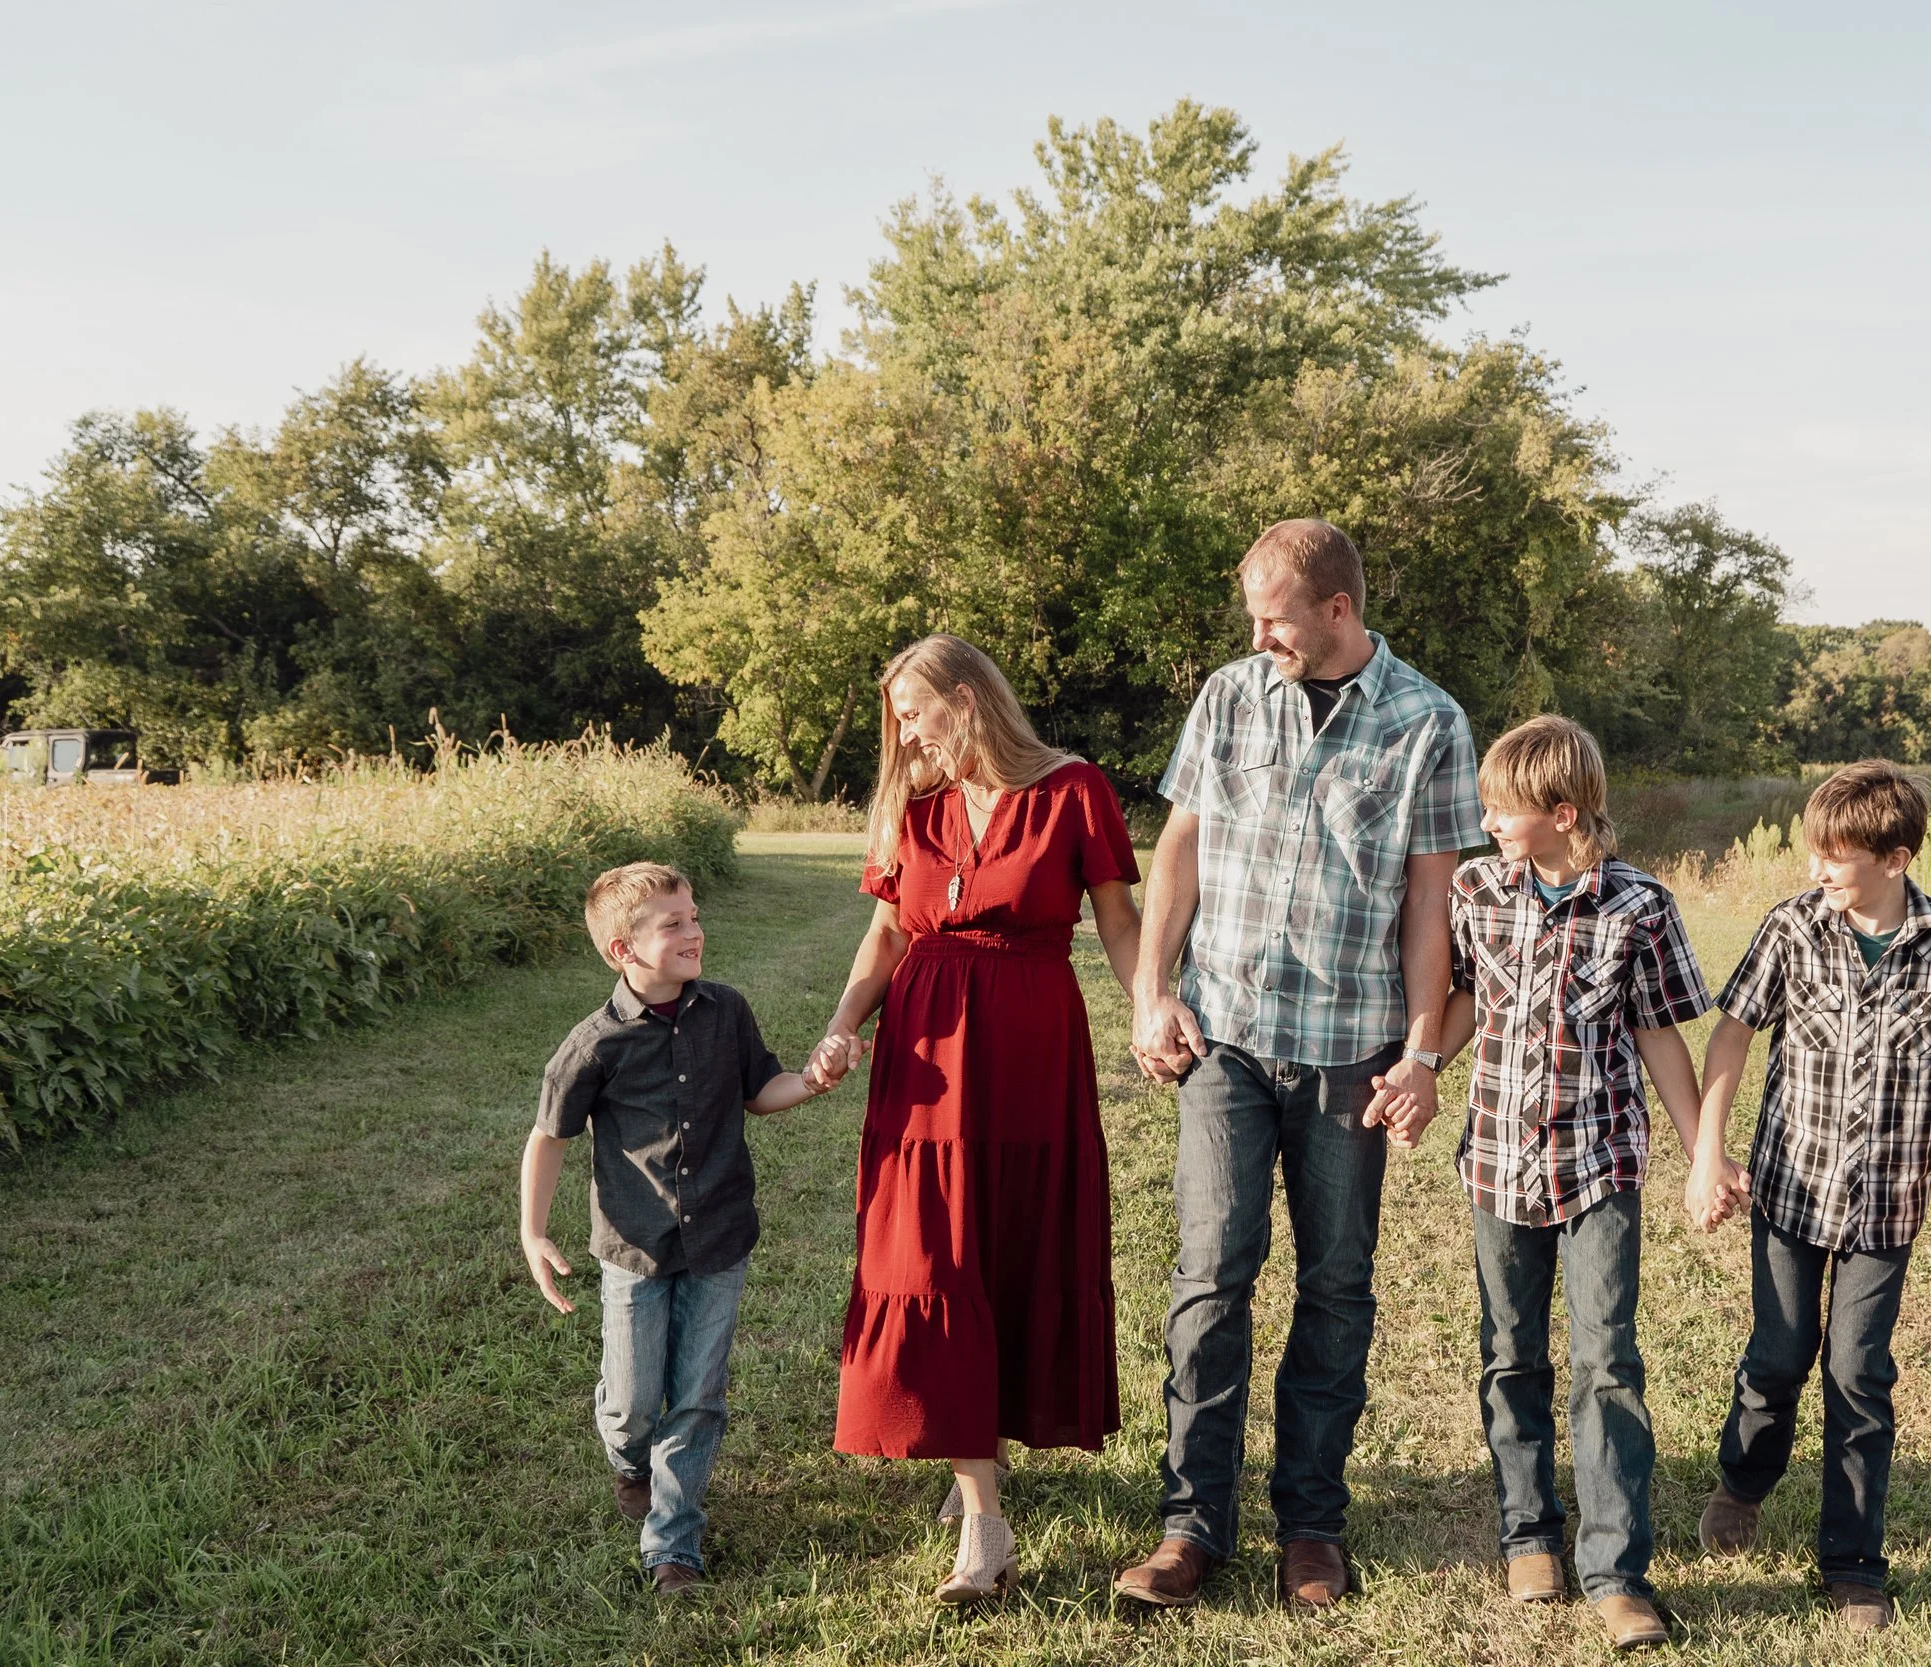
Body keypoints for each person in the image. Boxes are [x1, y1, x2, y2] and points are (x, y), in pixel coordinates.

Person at [1117, 518, 1483, 1612]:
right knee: (1209, 1277)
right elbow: (1178, 845)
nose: (1258, 633)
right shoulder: (1230, 694)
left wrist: (1423, 1048)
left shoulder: (1429, 719)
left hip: (1350, 1051)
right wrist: (1150, 987)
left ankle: (1311, 1524)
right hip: (1225, 1031)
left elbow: (1431, 901)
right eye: (1253, 617)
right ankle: (1192, 1524)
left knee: (1335, 1285)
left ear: (1337, 607)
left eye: (1274, 615)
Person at [806, 634, 1144, 1604]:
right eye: (899, 720)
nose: (905, 733)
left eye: (914, 712)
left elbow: (1118, 920)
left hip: (1034, 1050)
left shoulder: (1074, 788)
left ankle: (975, 1452)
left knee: (1010, 1244)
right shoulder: (910, 810)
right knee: (928, 1258)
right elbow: (884, 933)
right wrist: (838, 1028)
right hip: (926, 1059)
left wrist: (1149, 1006)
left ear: (966, 698)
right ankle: (985, 1523)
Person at [1369, 715, 1716, 1651]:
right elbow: (1466, 998)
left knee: (1608, 1359)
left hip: (1600, 1163)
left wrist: (1704, 1154)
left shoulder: (1639, 904)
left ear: (1562, 811)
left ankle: (1616, 1570)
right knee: (1509, 1349)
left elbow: (1658, 1035)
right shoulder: (1480, 889)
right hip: (1498, 1160)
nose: (1487, 821)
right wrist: (1422, 1064)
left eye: (1502, 808)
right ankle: (1529, 1532)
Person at [1684, 759, 1931, 1633]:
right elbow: (1732, 1035)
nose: (1818, 868)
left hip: (1887, 1205)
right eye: (1815, 850)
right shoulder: (1793, 928)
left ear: (1895, 858)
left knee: (1860, 1373)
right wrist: (1708, 1151)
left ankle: (1853, 1561)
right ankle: (1745, 1481)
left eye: (1837, 854)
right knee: (1781, 1356)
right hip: (1791, 1190)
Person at [519, 861, 822, 1595]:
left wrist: (813, 1079)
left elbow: (761, 1092)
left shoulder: (726, 1010)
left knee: (696, 1397)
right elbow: (548, 1136)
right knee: (630, 1402)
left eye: (694, 916)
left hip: (719, 1238)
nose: (695, 932)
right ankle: (628, 1459)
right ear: (624, 949)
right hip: (634, 1248)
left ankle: (673, 1544)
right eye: (674, 924)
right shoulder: (594, 1043)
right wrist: (534, 1232)